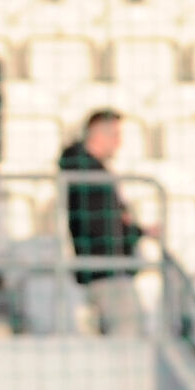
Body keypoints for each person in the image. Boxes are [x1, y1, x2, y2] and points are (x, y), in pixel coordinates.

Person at [59, 109, 144, 336]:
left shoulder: (93, 173)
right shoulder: (83, 171)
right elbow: (99, 223)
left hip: (111, 266)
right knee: (125, 333)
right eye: (115, 135)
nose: (119, 143)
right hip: (103, 267)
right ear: (98, 135)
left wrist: (135, 230)